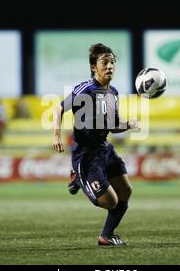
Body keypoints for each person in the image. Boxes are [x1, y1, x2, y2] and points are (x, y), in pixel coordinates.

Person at [52, 43, 139, 246]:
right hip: (86, 155)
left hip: (105, 149)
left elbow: (113, 126)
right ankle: (78, 178)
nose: (110, 66)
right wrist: (56, 135)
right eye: (105, 63)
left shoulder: (113, 93)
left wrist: (128, 124)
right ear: (94, 67)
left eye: (112, 63)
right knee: (110, 202)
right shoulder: (86, 89)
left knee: (125, 191)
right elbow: (58, 108)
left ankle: (106, 236)